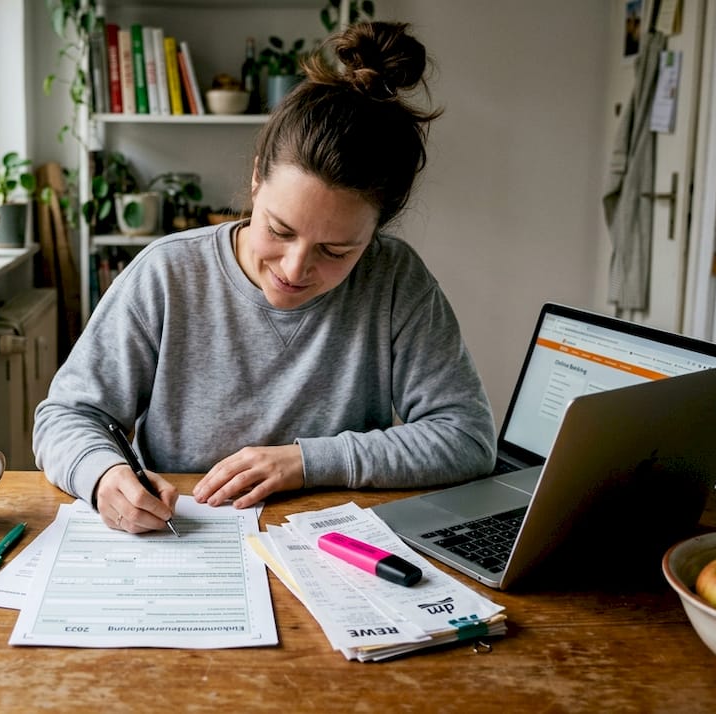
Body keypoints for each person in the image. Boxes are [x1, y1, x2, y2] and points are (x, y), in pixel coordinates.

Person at [33, 21, 496, 534]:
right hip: (182, 540)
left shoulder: (393, 279)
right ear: (256, 180)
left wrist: (307, 462)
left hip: (332, 549)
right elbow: (66, 416)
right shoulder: (167, 273)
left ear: (376, 231)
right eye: (279, 230)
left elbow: (468, 437)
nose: (294, 269)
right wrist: (102, 475)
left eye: (336, 251)